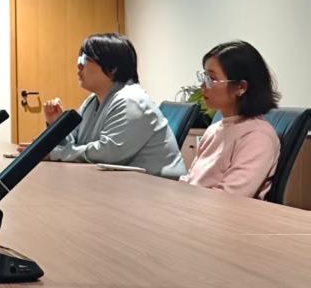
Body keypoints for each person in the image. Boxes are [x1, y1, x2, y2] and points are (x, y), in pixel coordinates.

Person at [36, 33, 186, 178]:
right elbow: (75, 143)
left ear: (113, 67)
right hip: (122, 183)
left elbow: (108, 154)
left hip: (156, 186)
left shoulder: (131, 100)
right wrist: (56, 125)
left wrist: (56, 154)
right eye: (79, 59)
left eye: (85, 59)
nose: (79, 65)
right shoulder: (92, 101)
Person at [181, 41, 280, 198]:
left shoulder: (257, 136)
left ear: (241, 87)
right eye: (204, 77)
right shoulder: (214, 129)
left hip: (219, 212)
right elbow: (192, 179)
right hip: (194, 206)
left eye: (211, 79)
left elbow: (230, 198)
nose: (203, 86)